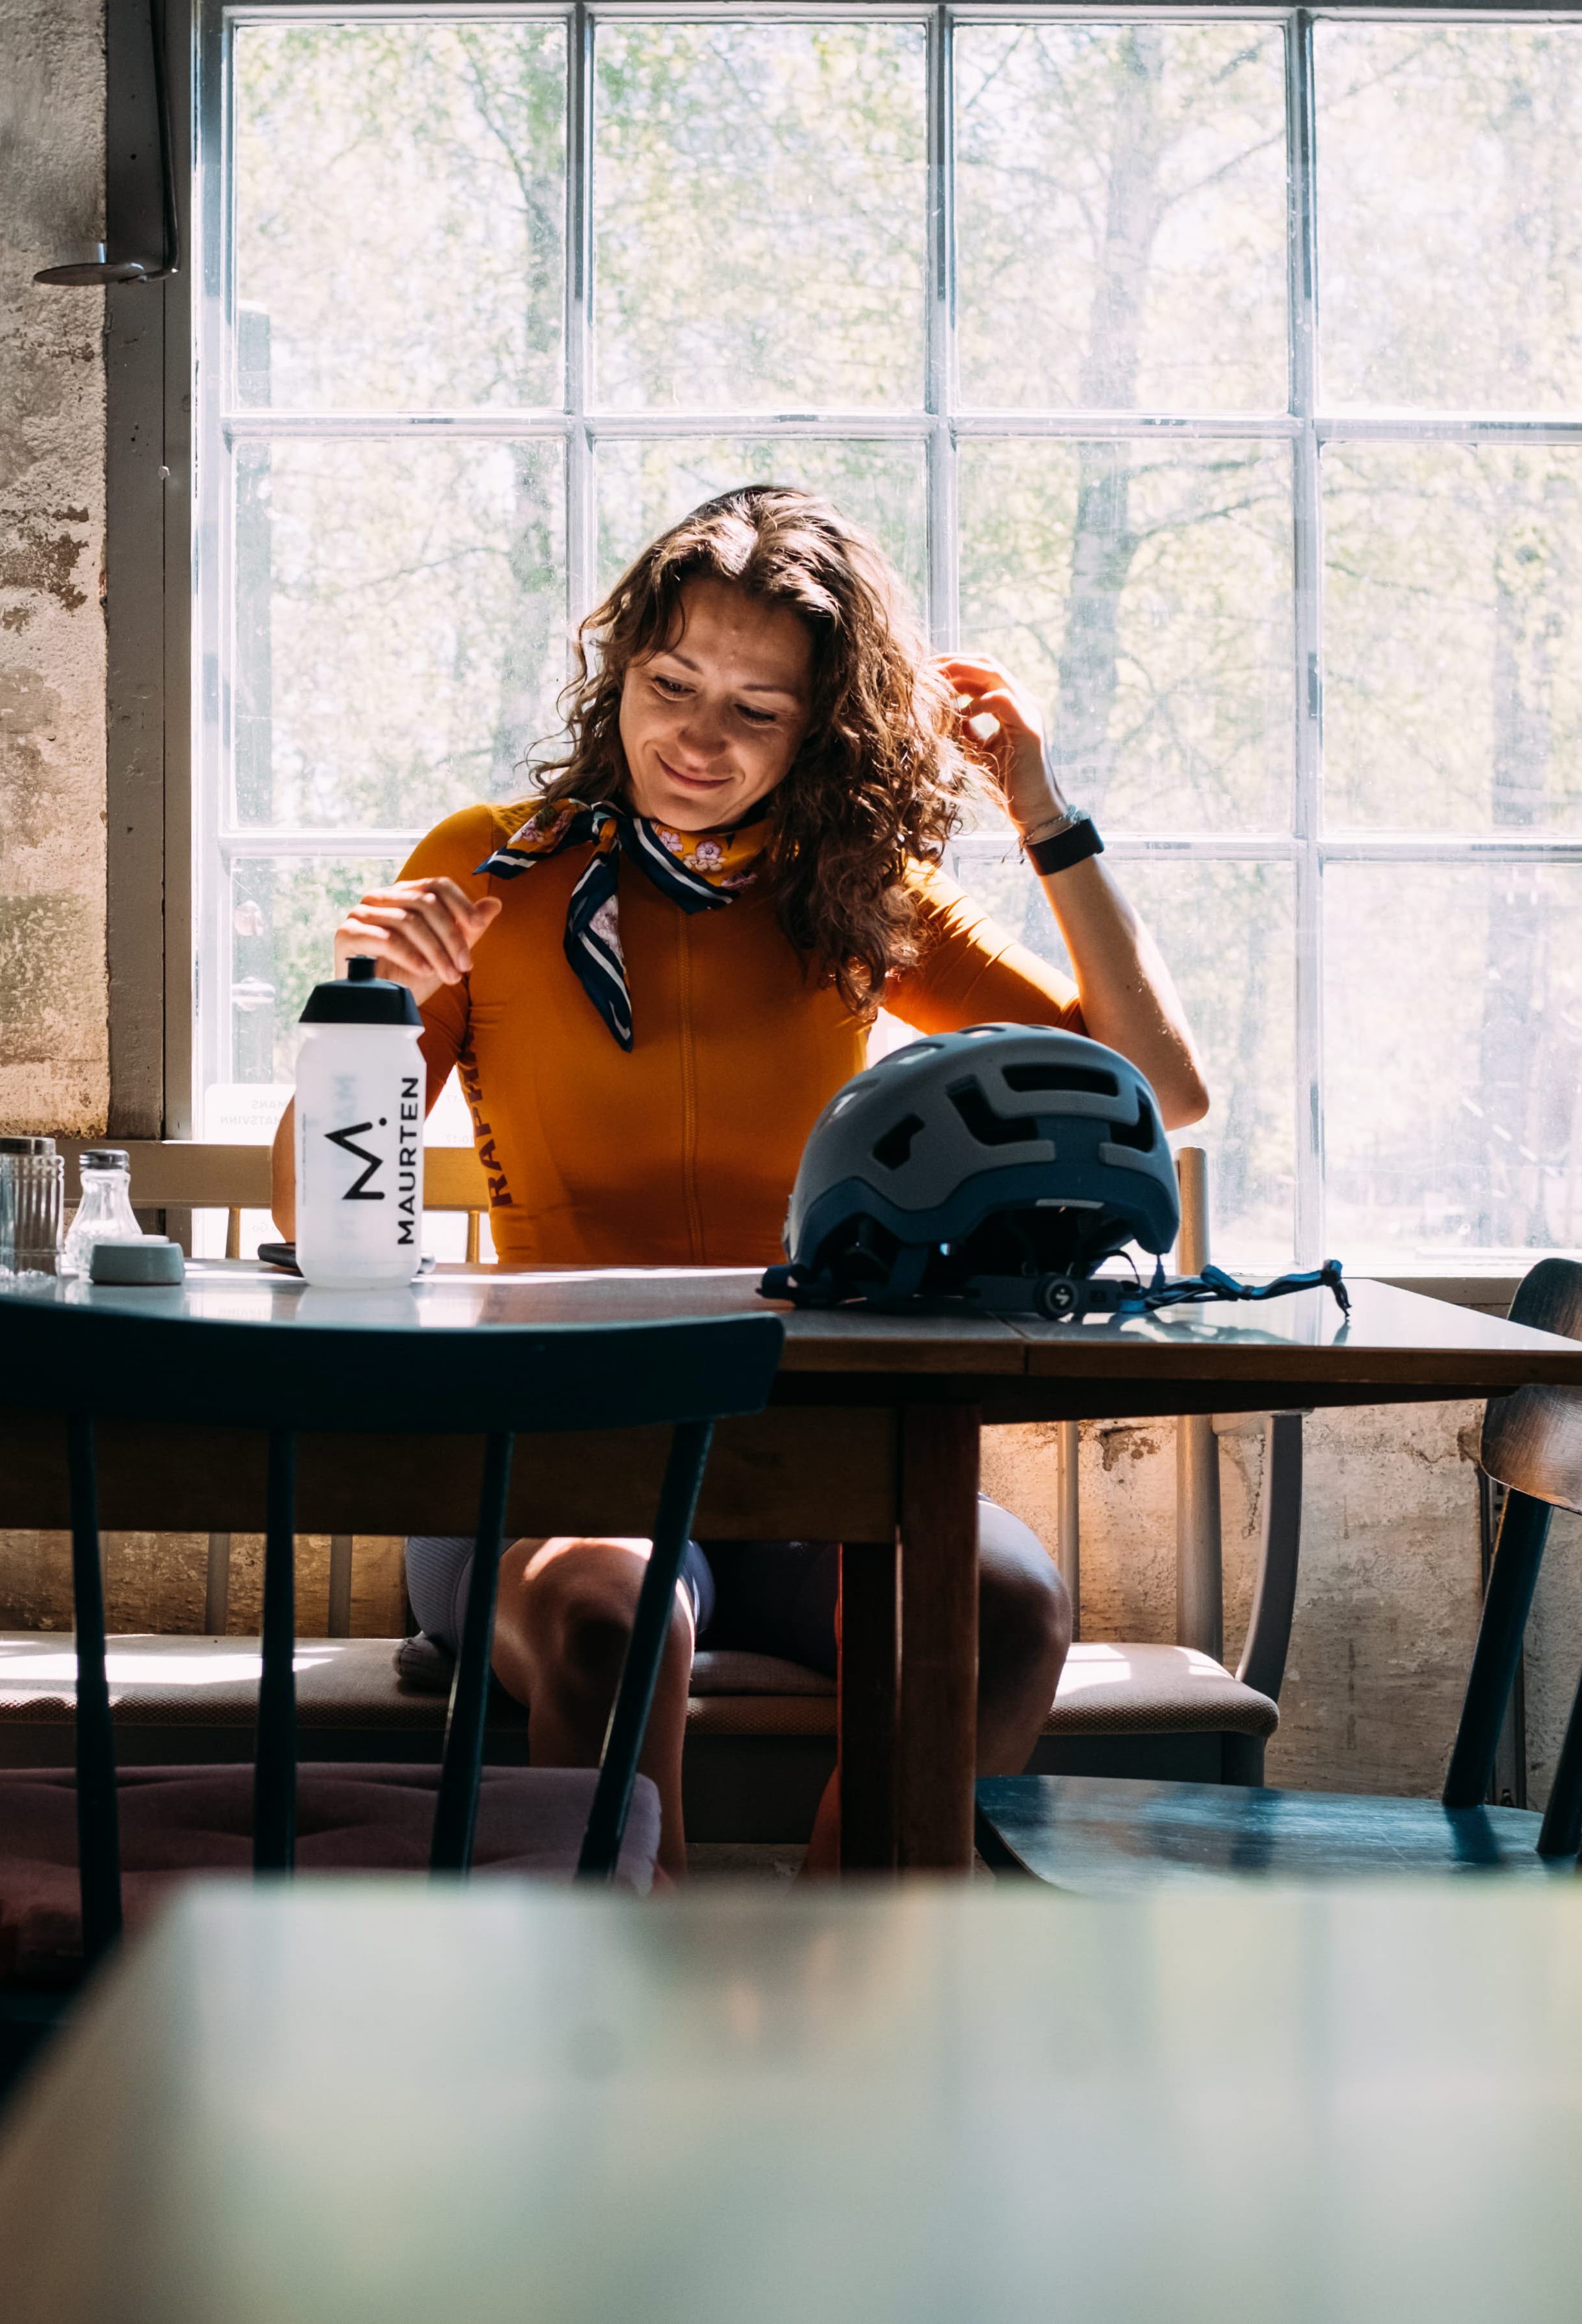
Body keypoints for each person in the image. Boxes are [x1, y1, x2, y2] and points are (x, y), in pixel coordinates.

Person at [269, 485, 1208, 1878]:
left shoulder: (857, 893)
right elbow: (307, 1213)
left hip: (808, 1448)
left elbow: (1160, 1091)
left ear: (819, 731)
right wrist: (372, 1005)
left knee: (1005, 1603)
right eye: (671, 684)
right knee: (615, 1612)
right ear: (619, 674)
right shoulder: (492, 868)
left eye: (756, 709)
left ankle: (851, 1976)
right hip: (552, 1446)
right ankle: (622, 2036)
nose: (697, 740)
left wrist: (1042, 815)